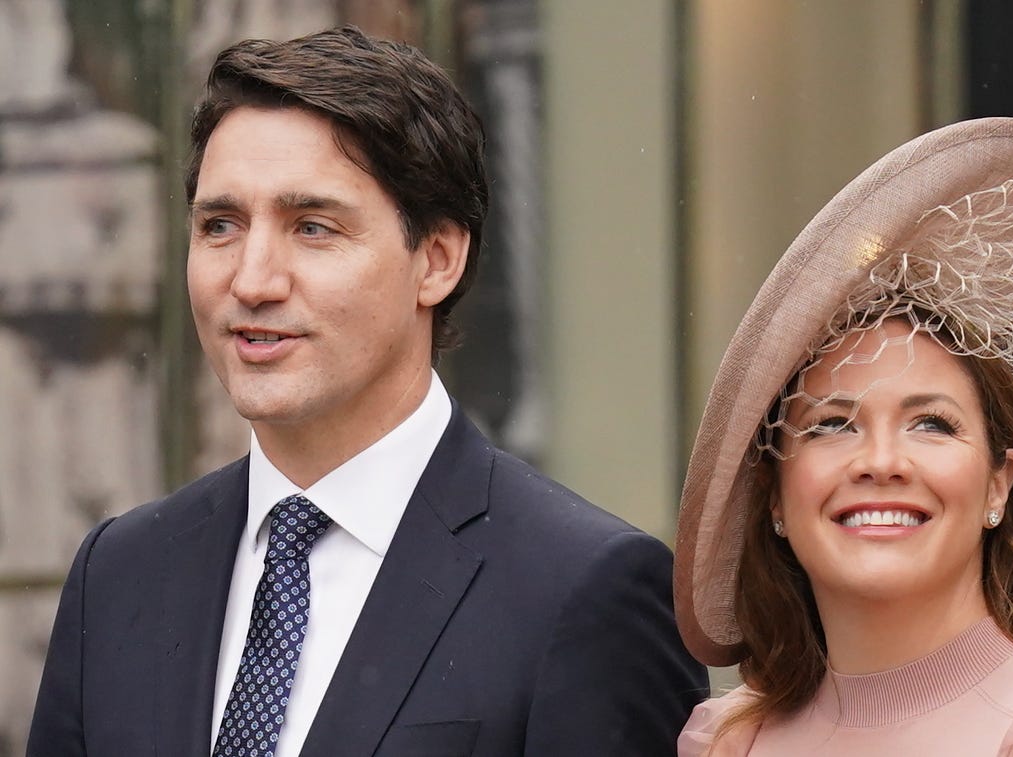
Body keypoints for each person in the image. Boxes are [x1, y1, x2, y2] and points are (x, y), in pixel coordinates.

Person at [28, 26, 707, 756]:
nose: (252, 279)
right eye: (220, 225)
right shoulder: (119, 574)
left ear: (437, 260)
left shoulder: (584, 591)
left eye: (312, 227)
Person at [672, 117, 1013, 755]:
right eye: (832, 425)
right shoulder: (726, 742)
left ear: (999, 485)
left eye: (931, 424)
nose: (881, 461)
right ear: (773, 495)